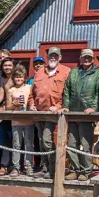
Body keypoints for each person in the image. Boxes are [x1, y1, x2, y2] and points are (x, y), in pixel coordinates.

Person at [59, 48, 99, 181]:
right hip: (73, 113)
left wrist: (93, 108)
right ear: (81, 58)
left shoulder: (98, 73)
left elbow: (98, 92)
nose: (87, 59)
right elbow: (67, 90)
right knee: (72, 144)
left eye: (89, 57)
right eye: (84, 57)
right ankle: (75, 169)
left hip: (87, 115)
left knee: (85, 144)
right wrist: (66, 106)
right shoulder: (74, 72)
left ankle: (86, 170)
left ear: (93, 59)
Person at [28, 47, 71, 179]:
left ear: (60, 57)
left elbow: (68, 93)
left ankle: (53, 170)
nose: (53, 57)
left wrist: (59, 106)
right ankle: (45, 167)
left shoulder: (66, 71)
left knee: (47, 140)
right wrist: (32, 104)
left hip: (54, 113)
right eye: (51, 55)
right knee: (41, 141)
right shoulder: (40, 72)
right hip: (39, 112)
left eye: (55, 55)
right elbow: (32, 93)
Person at [6, 66, 33, 177]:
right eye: (16, 77)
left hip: (28, 120)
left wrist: (31, 106)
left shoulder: (29, 87)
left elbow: (32, 100)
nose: (18, 79)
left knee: (28, 144)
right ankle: (16, 168)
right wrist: (14, 104)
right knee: (16, 145)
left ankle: (29, 167)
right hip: (16, 120)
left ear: (24, 78)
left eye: (20, 77)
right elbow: (7, 107)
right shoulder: (11, 90)